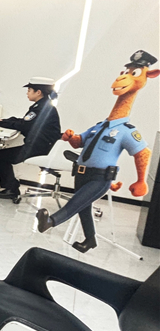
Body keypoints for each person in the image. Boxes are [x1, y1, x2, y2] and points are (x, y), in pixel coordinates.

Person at [38, 51, 158, 253]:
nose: (123, 77)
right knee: (83, 208)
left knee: (76, 203)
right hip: (81, 174)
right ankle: (90, 240)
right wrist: (70, 137)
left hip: (100, 178)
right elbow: (79, 142)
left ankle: (50, 221)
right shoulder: (99, 126)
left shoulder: (127, 131)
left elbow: (142, 153)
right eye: (125, 72)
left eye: (134, 73)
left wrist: (141, 181)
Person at [0, 77, 62, 200]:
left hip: (38, 148)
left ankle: (11, 189)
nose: (27, 93)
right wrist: (2, 121)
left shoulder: (41, 108)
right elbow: (24, 122)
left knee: (1, 157)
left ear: (38, 92)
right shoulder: (43, 105)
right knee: (0, 156)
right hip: (41, 146)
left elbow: (24, 126)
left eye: (29, 90)